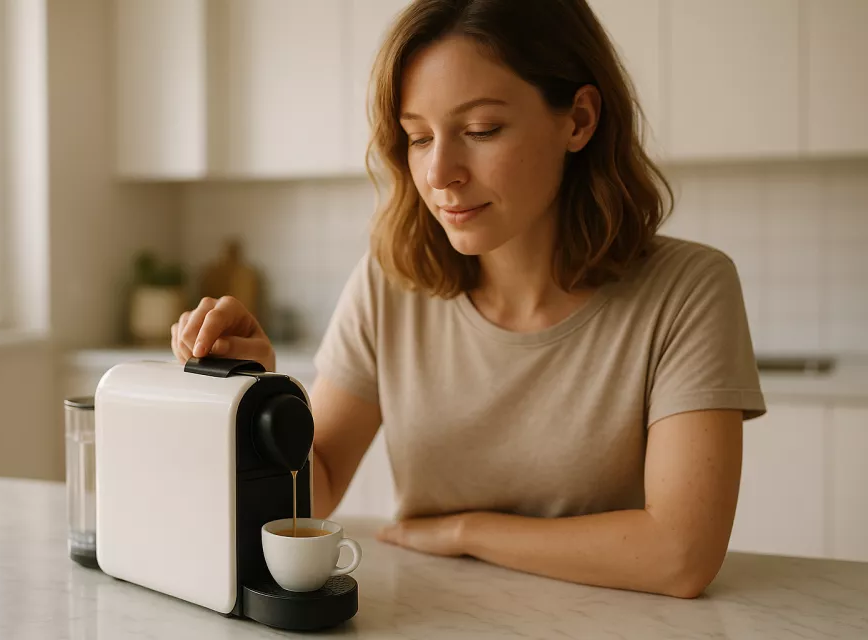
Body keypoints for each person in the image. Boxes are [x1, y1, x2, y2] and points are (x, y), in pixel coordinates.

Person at [171, 0, 766, 599]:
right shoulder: (389, 284)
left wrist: (468, 531)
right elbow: (313, 489)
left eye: (481, 130)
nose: (439, 172)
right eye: (418, 137)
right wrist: (254, 398)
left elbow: (680, 556)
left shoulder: (689, 289)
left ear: (579, 120)